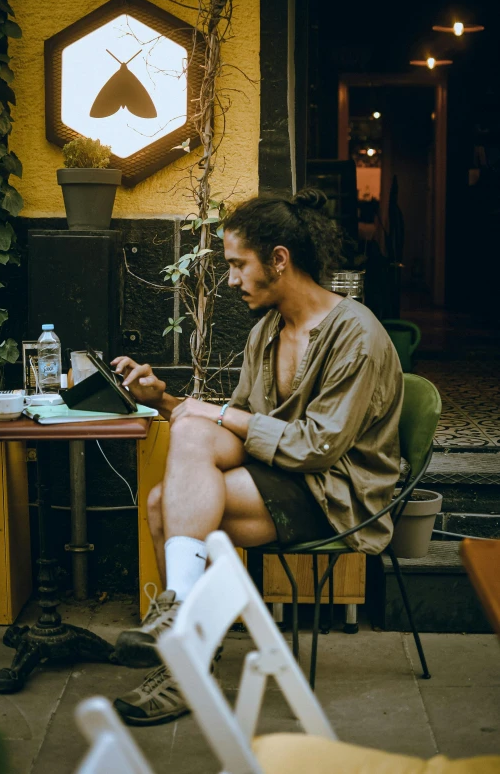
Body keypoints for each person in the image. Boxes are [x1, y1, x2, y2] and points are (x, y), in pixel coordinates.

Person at [111, 188, 403, 725]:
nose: (230, 280)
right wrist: (169, 402)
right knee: (187, 446)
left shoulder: (356, 334)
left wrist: (205, 412)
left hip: (335, 491)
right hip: (278, 470)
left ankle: (185, 662)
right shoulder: (267, 332)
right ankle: (180, 615)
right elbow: (237, 421)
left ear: (279, 260)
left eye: (237, 265)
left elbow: (318, 446)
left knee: (162, 505)